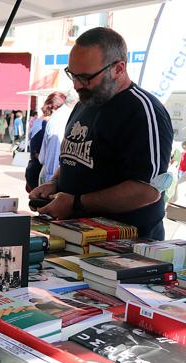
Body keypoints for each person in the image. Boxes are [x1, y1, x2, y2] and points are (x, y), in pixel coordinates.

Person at [30, 27, 173, 240]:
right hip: (78, 238)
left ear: (119, 68)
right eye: (73, 75)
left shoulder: (142, 110)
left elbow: (147, 190)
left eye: (86, 77)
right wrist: (55, 184)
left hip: (124, 248)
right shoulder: (86, 102)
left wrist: (76, 202)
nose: (77, 85)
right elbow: (75, 159)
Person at [37, 91, 70, 185]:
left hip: (48, 172)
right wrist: (51, 182)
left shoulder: (55, 120)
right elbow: (52, 159)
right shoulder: (58, 120)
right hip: (51, 176)